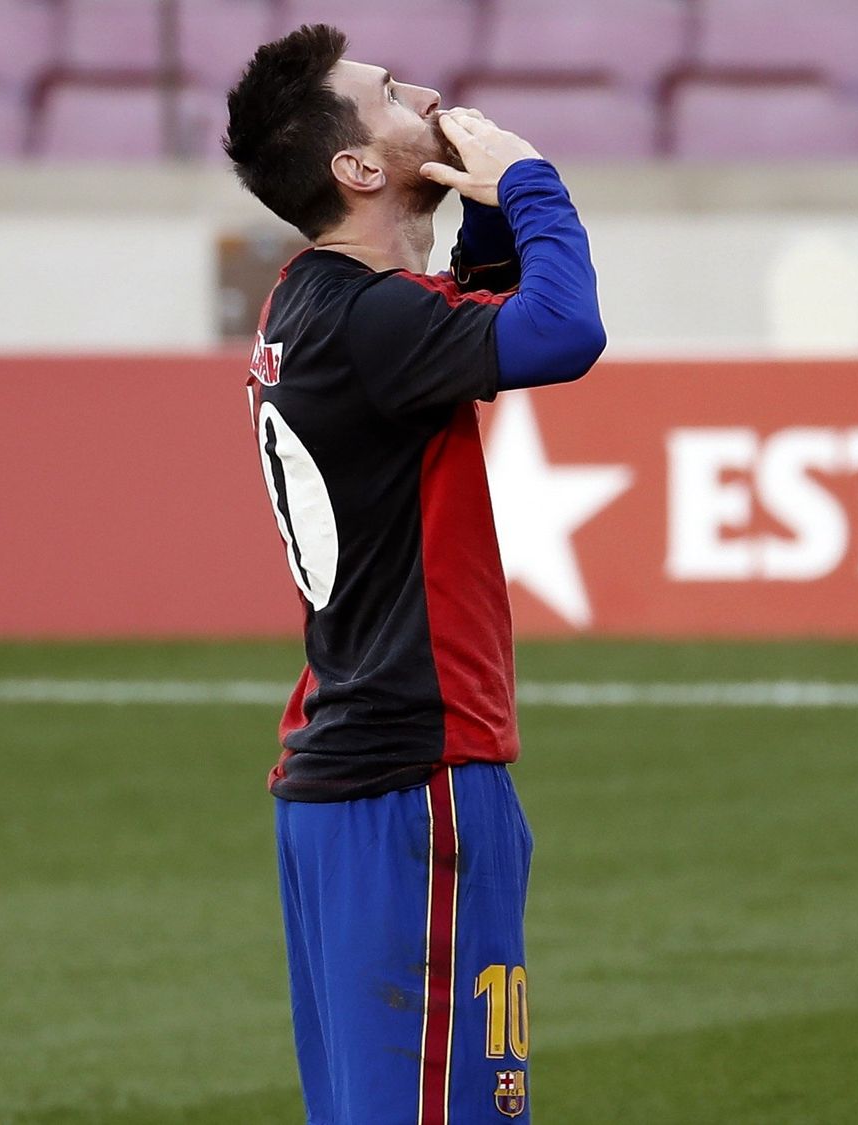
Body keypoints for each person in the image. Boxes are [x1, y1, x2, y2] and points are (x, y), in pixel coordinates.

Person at [223, 24, 604, 1125]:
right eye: (390, 92)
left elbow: (462, 317)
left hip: (341, 776)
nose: (426, 93)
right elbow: (562, 330)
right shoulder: (374, 321)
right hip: (413, 774)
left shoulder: (312, 303)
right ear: (355, 166)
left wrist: (481, 214)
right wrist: (529, 182)